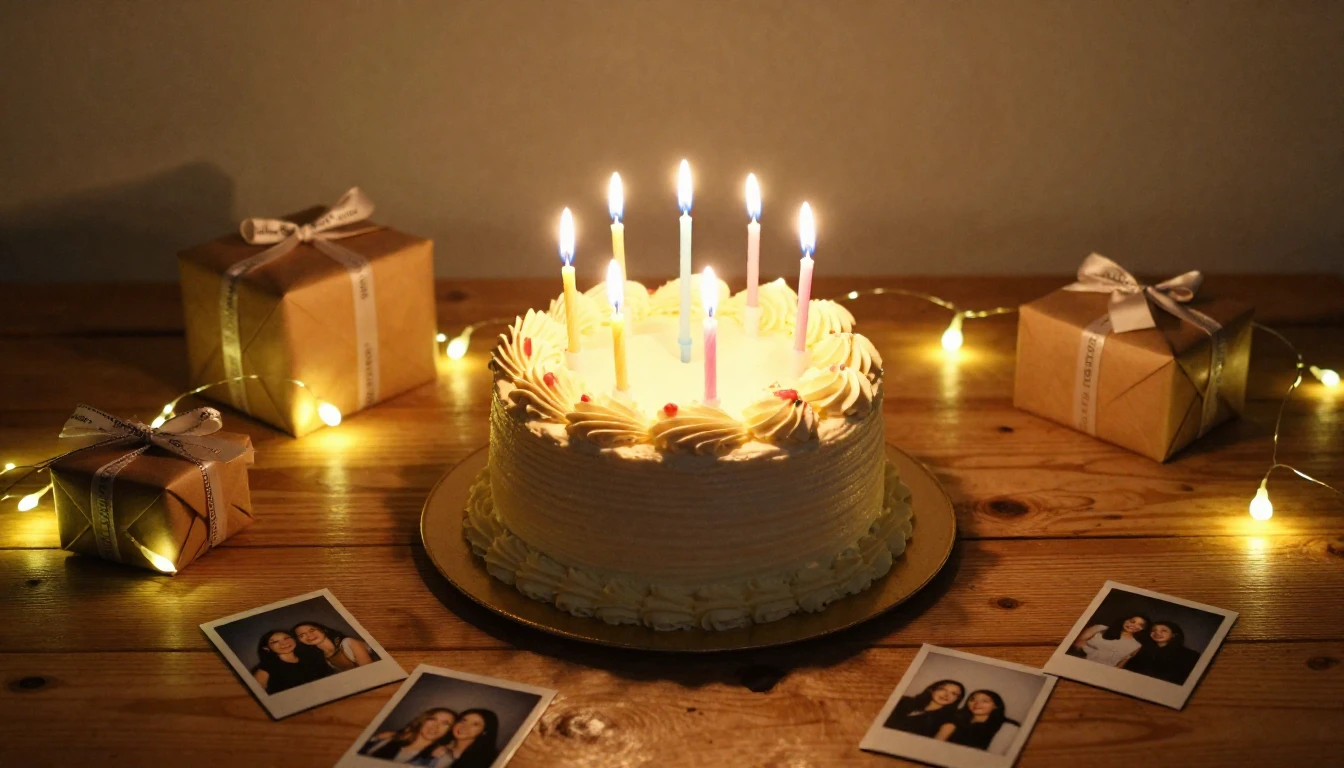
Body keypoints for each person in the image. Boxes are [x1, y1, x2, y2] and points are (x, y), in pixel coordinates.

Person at [359, 708, 457, 765]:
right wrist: (374, 739)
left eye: (445, 723)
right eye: (432, 719)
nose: (435, 725)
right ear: (423, 721)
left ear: (449, 730)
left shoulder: (440, 758)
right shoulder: (386, 741)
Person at [251, 629, 334, 694]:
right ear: (267, 648)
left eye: (286, 638)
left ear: (294, 639)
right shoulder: (267, 667)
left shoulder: (312, 656)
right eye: (275, 642)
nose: (284, 643)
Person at [1125, 621, 1201, 684]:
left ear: (1174, 635)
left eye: (1164, 630)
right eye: (1154, 630)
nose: (1157, 633)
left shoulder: (1189, 655)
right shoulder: (1142, 650)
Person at [936, 689, 1015, 751]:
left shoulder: (1006, 727)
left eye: (985, 701)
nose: (977, 704)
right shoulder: (954, 720)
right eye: (972, 700)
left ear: (996, 706)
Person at [883, 680, 965, 738]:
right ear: (932, 690)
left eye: (954, 694)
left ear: (957, 699)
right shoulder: (904, 701)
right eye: (942, 689)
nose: (946, 695)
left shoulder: (948, 722)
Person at [294, 621, 377, 672]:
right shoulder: (323, 658)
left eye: (312, 630)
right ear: (300, 641)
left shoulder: (348, 643)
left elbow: (370, 672)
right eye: (301, 635)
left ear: (324, 630)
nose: (309, 635)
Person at [1071, 614, 1150, 667]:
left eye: (1140, 625)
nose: (1133, 625)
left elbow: (1119, 666)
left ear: (1142, 629)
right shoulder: (1100, 628)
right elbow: (1076, 643)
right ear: (1125, 620)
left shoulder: (1136, 645)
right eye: (1132, 621)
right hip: (1079, 664)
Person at [431, 708, 500, 768]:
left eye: (475, 724)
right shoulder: (437, 745)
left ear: (484, 731)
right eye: (463, 721)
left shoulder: (486, 760)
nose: (464, 727)